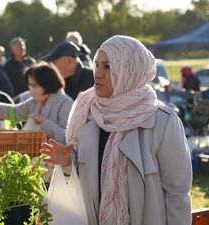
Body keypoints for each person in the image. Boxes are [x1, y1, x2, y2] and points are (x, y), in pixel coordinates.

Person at [41, 35, 192, 225]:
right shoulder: (86, 114)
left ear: (130, 70)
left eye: (108, 66)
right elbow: (86, 186)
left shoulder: (163, 120)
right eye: (96, 65)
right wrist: (67, 163)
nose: (98, 73)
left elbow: (177, 193)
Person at [0, 62, 73, 144]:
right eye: (30, 86)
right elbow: (14, 113)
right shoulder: (34, 101)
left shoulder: (65, 103)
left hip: (57, 159)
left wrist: (44, 122)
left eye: (34, 86)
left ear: (46, 84)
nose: (30, 91)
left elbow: (67, 137)